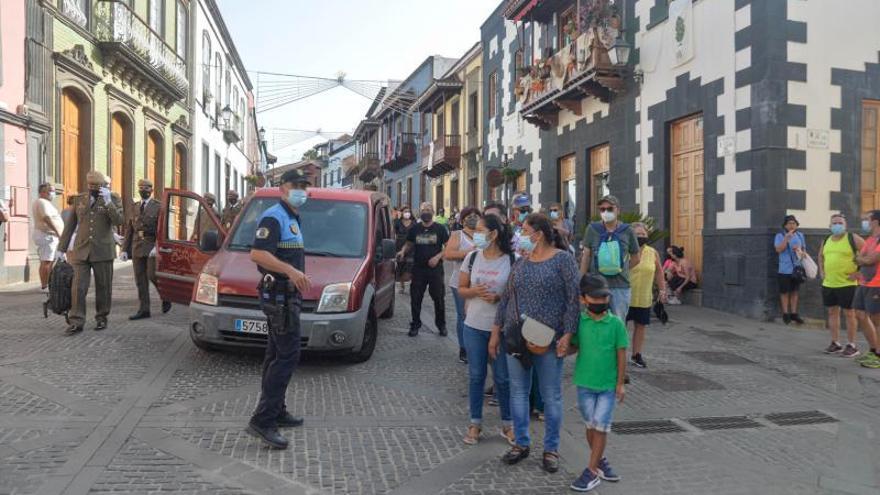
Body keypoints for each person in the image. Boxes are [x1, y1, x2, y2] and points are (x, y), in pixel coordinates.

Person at [490, 213, 580, 473]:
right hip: (516, 338)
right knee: (518, 392)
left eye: (525, 230)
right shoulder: (520, 262)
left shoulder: (563, 260)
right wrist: (496, 334)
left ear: (538, 234)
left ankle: (551, 448)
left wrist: (568, 334)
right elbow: (506, 299)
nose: (521, 235)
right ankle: (521, 442)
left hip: (549, 340)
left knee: (551, 395)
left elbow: (574, 299)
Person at [246, 169, 312, 449]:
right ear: (282, 188)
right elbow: (258, 253)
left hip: (286, 297)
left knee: (275, 355)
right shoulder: (274, 216)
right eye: (296, 185)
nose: (301, 190)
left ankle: (277, 410)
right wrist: (291, 271)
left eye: (304, 186)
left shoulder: (291, 217)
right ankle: (263, 421)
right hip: (280, 299)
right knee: (287, 356)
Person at [458, 213, 516, 445]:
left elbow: (517, 293)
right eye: (476, 231)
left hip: (500, 327)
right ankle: (475, 424)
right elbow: (461, 288)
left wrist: (499, 297)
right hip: (473, 325)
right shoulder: (471, 258)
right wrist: (475, 292)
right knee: (476, 376)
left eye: (481, 231)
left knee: (502, 378)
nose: (476, 234)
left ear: (493, 234)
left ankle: (508, 424)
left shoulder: (511, 260)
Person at [568, 274, 628, 492]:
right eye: (595, 298)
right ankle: (600, 460)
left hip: (607, 387)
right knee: (590, 426)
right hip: (584, 383)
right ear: (584, 299)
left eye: (604, 297)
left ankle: (591, 471)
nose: (600, 302)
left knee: (601, 427)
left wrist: (620, 384)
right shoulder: (580, 322)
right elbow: (575, 346)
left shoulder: (616, 324)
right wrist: (561, 350)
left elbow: (621, 355)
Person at [57, 171, 124, 335]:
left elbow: (119, 221)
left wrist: (108, 202)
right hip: (82, 250)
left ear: (102, 186)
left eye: (96, 186)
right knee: (78, 287)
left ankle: (101, 318)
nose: (93, 188)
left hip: (103, 250)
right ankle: (76, 321)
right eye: (90, 186)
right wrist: (61, 248)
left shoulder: (113, 198)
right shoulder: (80, 199)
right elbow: (70, 225)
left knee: (103, 287)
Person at [580, 195, 641, 321]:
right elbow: (586, 256)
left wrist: (621, 268)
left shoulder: (628, 230)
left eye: (609, 208)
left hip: (620, 286)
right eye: (602, 209)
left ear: (618, 210)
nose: (606, 212)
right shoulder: (592, 229)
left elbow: (636, 257)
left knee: (618, 323)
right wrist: (581, 280)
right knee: (595, 321)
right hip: (595, 286)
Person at [121, 179, 171, 320]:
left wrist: (158, 245)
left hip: (151, 246)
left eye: (146, 188)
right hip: (137, 246)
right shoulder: (134, 206)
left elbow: (162, 229)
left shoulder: (158, 206)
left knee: (152, 275)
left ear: (151, 190)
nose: (143, 190)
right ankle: (144, 309)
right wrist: (124, 249)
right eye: (141, 187)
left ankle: (165, 297)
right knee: (140, 280)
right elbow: (129, 229)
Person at [397, 202, 449, 337]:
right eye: (423, 210)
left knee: (438, 298)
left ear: (433, 212)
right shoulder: (415, 229)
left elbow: (448, 247)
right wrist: (403, 251)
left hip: (435, 270)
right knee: (415, 298)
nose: (426, 212)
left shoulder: (440, 229)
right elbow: (409, 243)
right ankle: (415, 324)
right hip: (418, 269)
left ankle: (441, 325)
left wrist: (437, 257)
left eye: (428, 209)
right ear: (420, 212)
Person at [818, 214, 863, 356]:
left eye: (840, 223)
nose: (837, 225)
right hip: (829, 283)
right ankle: (835, 343)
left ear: (845, 225)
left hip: (847, 284)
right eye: (835, 223)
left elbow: (870, 253)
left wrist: (859, 273)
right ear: (830, 226)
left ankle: (852, 345)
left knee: (849, 314)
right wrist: (821, 271)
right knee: (832, 312)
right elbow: (821, 256)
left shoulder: (852, 238)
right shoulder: (826, 240)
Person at [626, 223, 667, 368]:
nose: (640, 237)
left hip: (643, 297)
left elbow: (659, 272)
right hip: (625, 296)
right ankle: (617, 356)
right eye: (637, 234)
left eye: (643, 234)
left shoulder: (652, 252)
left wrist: (662, 290)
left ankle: (636, 355)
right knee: (620, 328)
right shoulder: (625, 250)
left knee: (641, 326)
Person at [444, 207, 480, 363]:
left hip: (480, 282)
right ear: (463, 219)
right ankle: (464, 348)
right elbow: (448, 254)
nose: (473, 218)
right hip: (460, 281)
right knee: (463, 315)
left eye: (476, 216)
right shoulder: (457, 235)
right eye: (469, 216)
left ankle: (477, 346)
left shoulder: (483, 234)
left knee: (478, 315)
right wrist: (470, 253)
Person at [852, 211, 880, 368]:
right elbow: (858, 258)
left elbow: (871, 259)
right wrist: (863, 259)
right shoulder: (869, 240)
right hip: (864, 283)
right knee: (860, 314)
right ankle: (873, 350)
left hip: (877, 284)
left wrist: (863, 259)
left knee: (877, 320)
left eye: (867, 219)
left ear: (876, 221)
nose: (865, 222)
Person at [32, 183, 64, 290]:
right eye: (50, 191)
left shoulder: (47, 203)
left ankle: (49, 284)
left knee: (50, 260)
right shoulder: (41, 202)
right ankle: (45, 286)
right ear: (42, 192)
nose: (53, 193)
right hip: (46, 235)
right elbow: (46, 217)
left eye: (53, 191)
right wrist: (57, 231)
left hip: (51, 236)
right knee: (46, 261)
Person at [775, 215, 806, 324]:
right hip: (784, 269)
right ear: (785, 225)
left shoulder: (800, 235)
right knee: (784, 292)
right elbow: (779, 249)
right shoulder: (780, 235)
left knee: (795, 292)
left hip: (797, 268)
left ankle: (794, 314)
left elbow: (804, 252)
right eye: (789, 223)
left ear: (797, 225)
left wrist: (800, 252)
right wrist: (786, 238)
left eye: (794, 223)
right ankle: (785, 313)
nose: (792, 225)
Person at [394, 206, 415, 294]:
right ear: (402, 213)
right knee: (401, 265)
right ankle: (402, 286)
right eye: (405, 211)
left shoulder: (414, 223)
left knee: (411, 266)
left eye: (408, 211)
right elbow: (393, 233)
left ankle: (412, 285)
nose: (407, 213)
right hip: (399, 246)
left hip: (412, 248)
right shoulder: (397, 222)